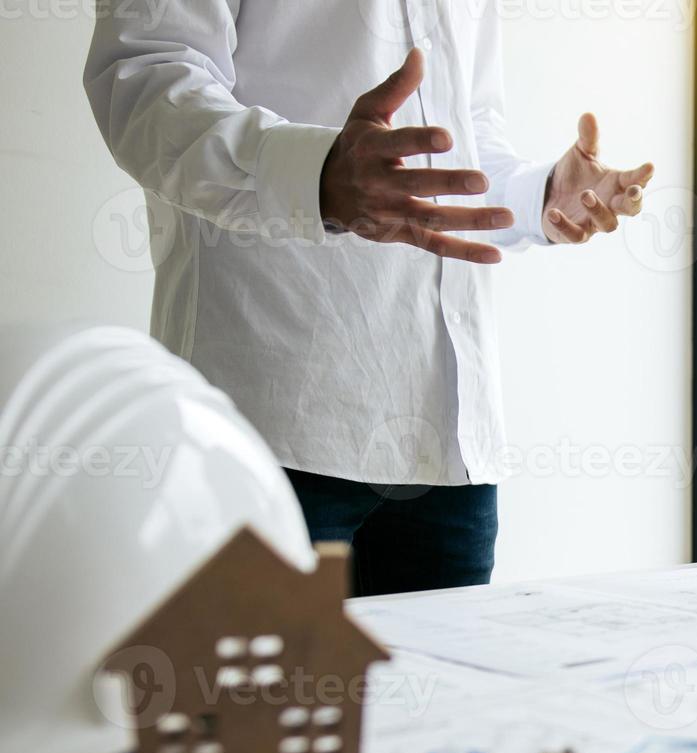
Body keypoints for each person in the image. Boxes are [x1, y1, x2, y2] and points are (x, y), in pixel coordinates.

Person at [85, 3, 652, 596]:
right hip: (270, 427)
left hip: (449, 437)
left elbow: (464, 133)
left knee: (457, 689)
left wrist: (538, 194)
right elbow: (147, 76)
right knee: (268, 692)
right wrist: (315, 173)